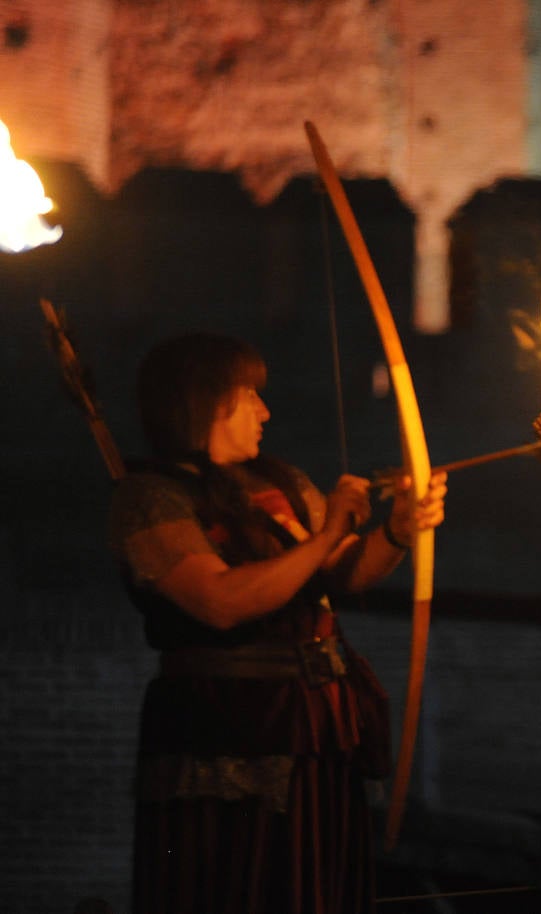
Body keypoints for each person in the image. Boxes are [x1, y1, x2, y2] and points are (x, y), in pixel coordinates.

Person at [108, 332, 448, 914]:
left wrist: (397, 531)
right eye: (249, 396)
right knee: (237, 884)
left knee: (315, 885)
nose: (265, 411)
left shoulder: (282, 483)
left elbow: (341, 574)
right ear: (208, 402)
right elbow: (220, 600)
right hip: (224, 728)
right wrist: (327, 536)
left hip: (315, 723)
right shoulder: (152, 496)